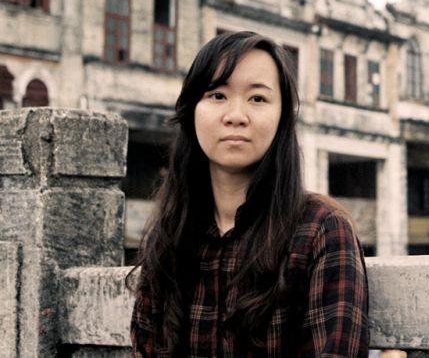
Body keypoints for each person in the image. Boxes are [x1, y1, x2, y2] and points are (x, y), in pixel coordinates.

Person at [128, 31, 369, 357]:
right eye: (217, 95)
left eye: (257, 99)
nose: (236, 116)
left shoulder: (321, 231)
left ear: (283, 117)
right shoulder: (170, 236)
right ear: (192, 110)